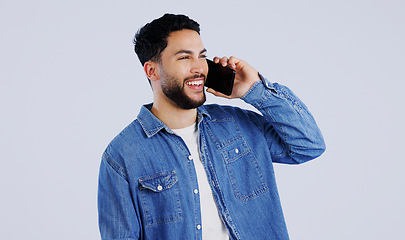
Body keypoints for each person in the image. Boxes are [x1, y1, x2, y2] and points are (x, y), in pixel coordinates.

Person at [98, 13, 325, 240]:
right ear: (152, 70)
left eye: (202, 56)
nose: (199, 67)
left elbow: (309, 145)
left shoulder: (239, 125)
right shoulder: (122, 156)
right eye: (184, 58)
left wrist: (255, 90)